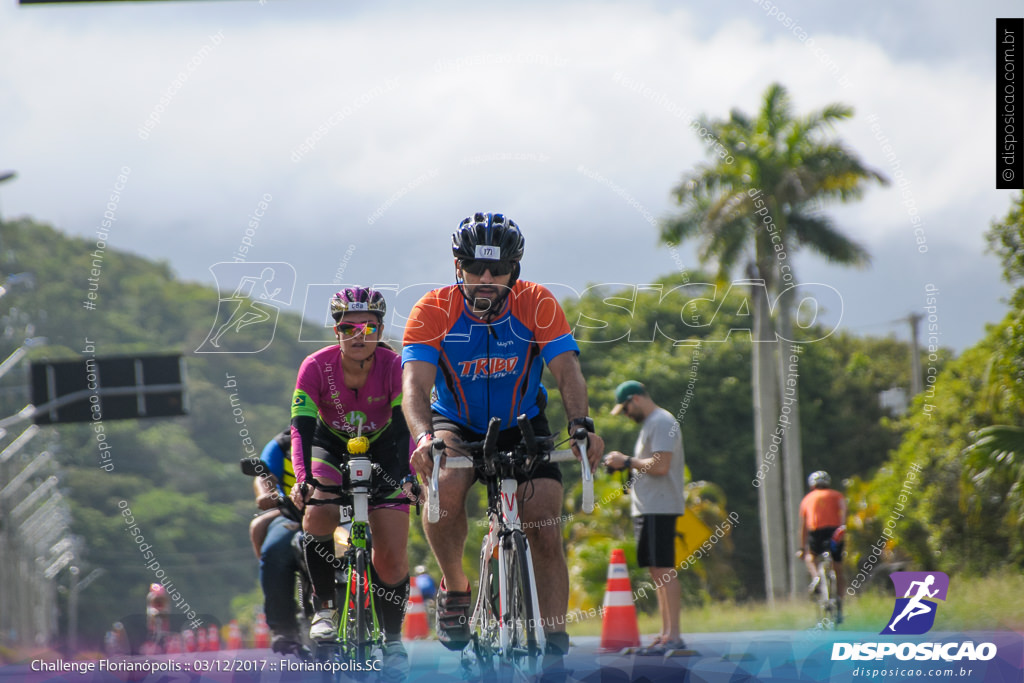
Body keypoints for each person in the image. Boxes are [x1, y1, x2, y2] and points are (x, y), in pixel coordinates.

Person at [403, 212, 605, 658]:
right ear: (459, 268)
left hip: (522, 422)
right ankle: (456, 587)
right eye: (475, 269)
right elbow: (413, 387)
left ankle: (554, 647)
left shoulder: (538, 303)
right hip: (453, 422)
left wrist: (580, 426)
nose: (487, 279)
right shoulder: (433, 309)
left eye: (498, 269)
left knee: (545, 524)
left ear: (516, 269)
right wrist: (421, 438)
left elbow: (567, 371)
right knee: (446, 483)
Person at [289, 287, 413, 679]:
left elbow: (402, 428)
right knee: (320, 512)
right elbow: (301, 429)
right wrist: (304, 480)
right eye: (348, 327)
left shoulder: (395, 365)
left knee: (391, 558)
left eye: (369, 327)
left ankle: (393, 640)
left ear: (380, 329)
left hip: (384, 448)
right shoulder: (315, 365)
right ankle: (323, 608)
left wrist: (406, 478)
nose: (359, 335)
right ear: (336, 331)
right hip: (330, 446)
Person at [602, 380, 686, 654]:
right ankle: (665, 634)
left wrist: (626, 461)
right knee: (656, 570)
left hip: (660, 506)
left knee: (663, 568)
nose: (626, 415)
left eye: (625, 409)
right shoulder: (652, 424)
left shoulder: (661, 421)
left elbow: (661, 465)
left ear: (635, 400)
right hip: (649, 506)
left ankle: (674, 636)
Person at [249, 429, 309, 658]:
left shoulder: (344, 432)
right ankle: (283, 626)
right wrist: (265, 494)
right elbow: (263, 474)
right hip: (292, 515)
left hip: (341, 514)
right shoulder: (282, 444)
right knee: (274, 551)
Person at [799, 470, 847, 623]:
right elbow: (844, 511)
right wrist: (843, 528)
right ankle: (839, 604)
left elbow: (803, 526)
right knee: (837, 567)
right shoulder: (837, 495)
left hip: (816, 532)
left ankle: (817, 576)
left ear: (812, 485)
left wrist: (801, 547)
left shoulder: (807, 499)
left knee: (810, 556)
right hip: (835, 532)